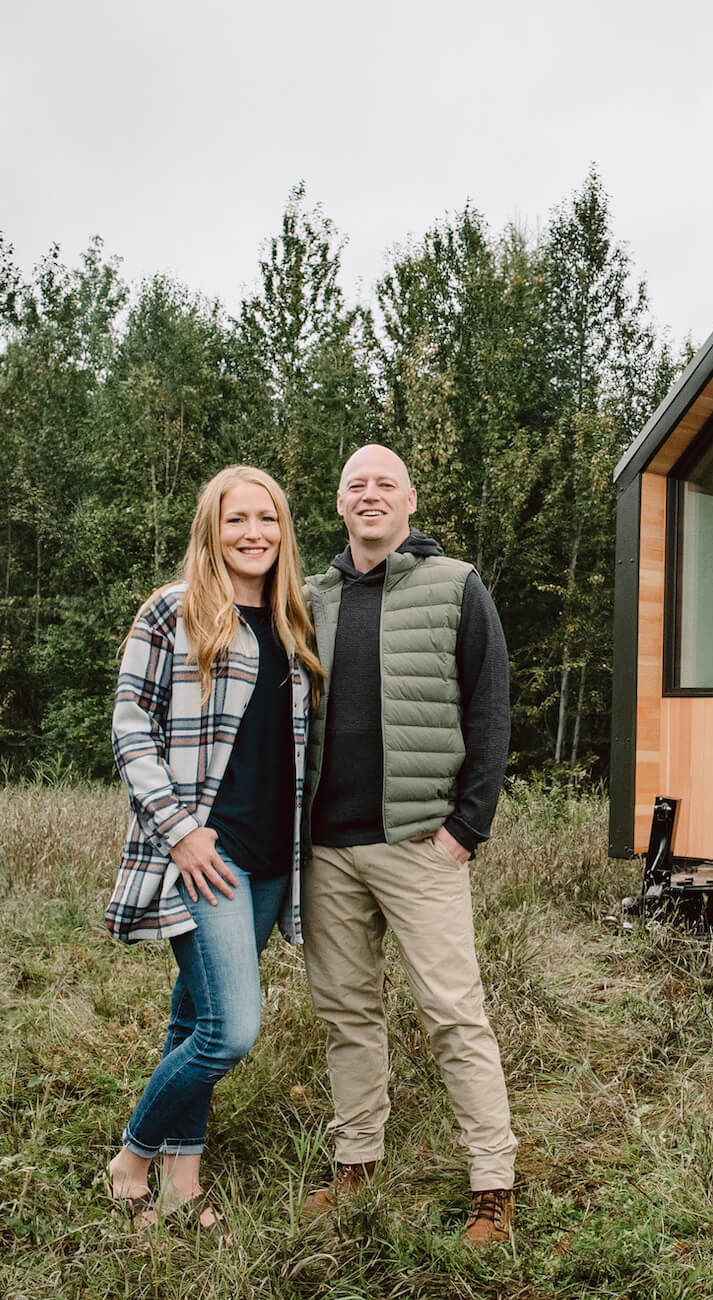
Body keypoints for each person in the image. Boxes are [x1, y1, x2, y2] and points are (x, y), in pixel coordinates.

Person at [297, 443, 517, 1246]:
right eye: (355, 484)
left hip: (422, 845)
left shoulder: (456, 585)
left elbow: (490, 707)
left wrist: (467, 829)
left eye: (385, 483)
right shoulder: (309, 598)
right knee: (347, 1014)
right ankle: (357, 1162)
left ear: (410, 500)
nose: (370, 494)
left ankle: (493, 1183)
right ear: (339, 503)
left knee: (455, 1014)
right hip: (327, 851)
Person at [101, 465, 322, 1232]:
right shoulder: (173, 611)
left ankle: (182, 1182)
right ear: (211, 529)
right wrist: (181, 830)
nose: (253, 533)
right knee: (231, 1030)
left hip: (270, 860)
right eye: (236, 520)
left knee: (194, 1019)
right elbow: (131, 728)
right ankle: (132, 1157)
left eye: (267, 518)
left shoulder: (294, 622)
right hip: (205, 856)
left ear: (283, 530)